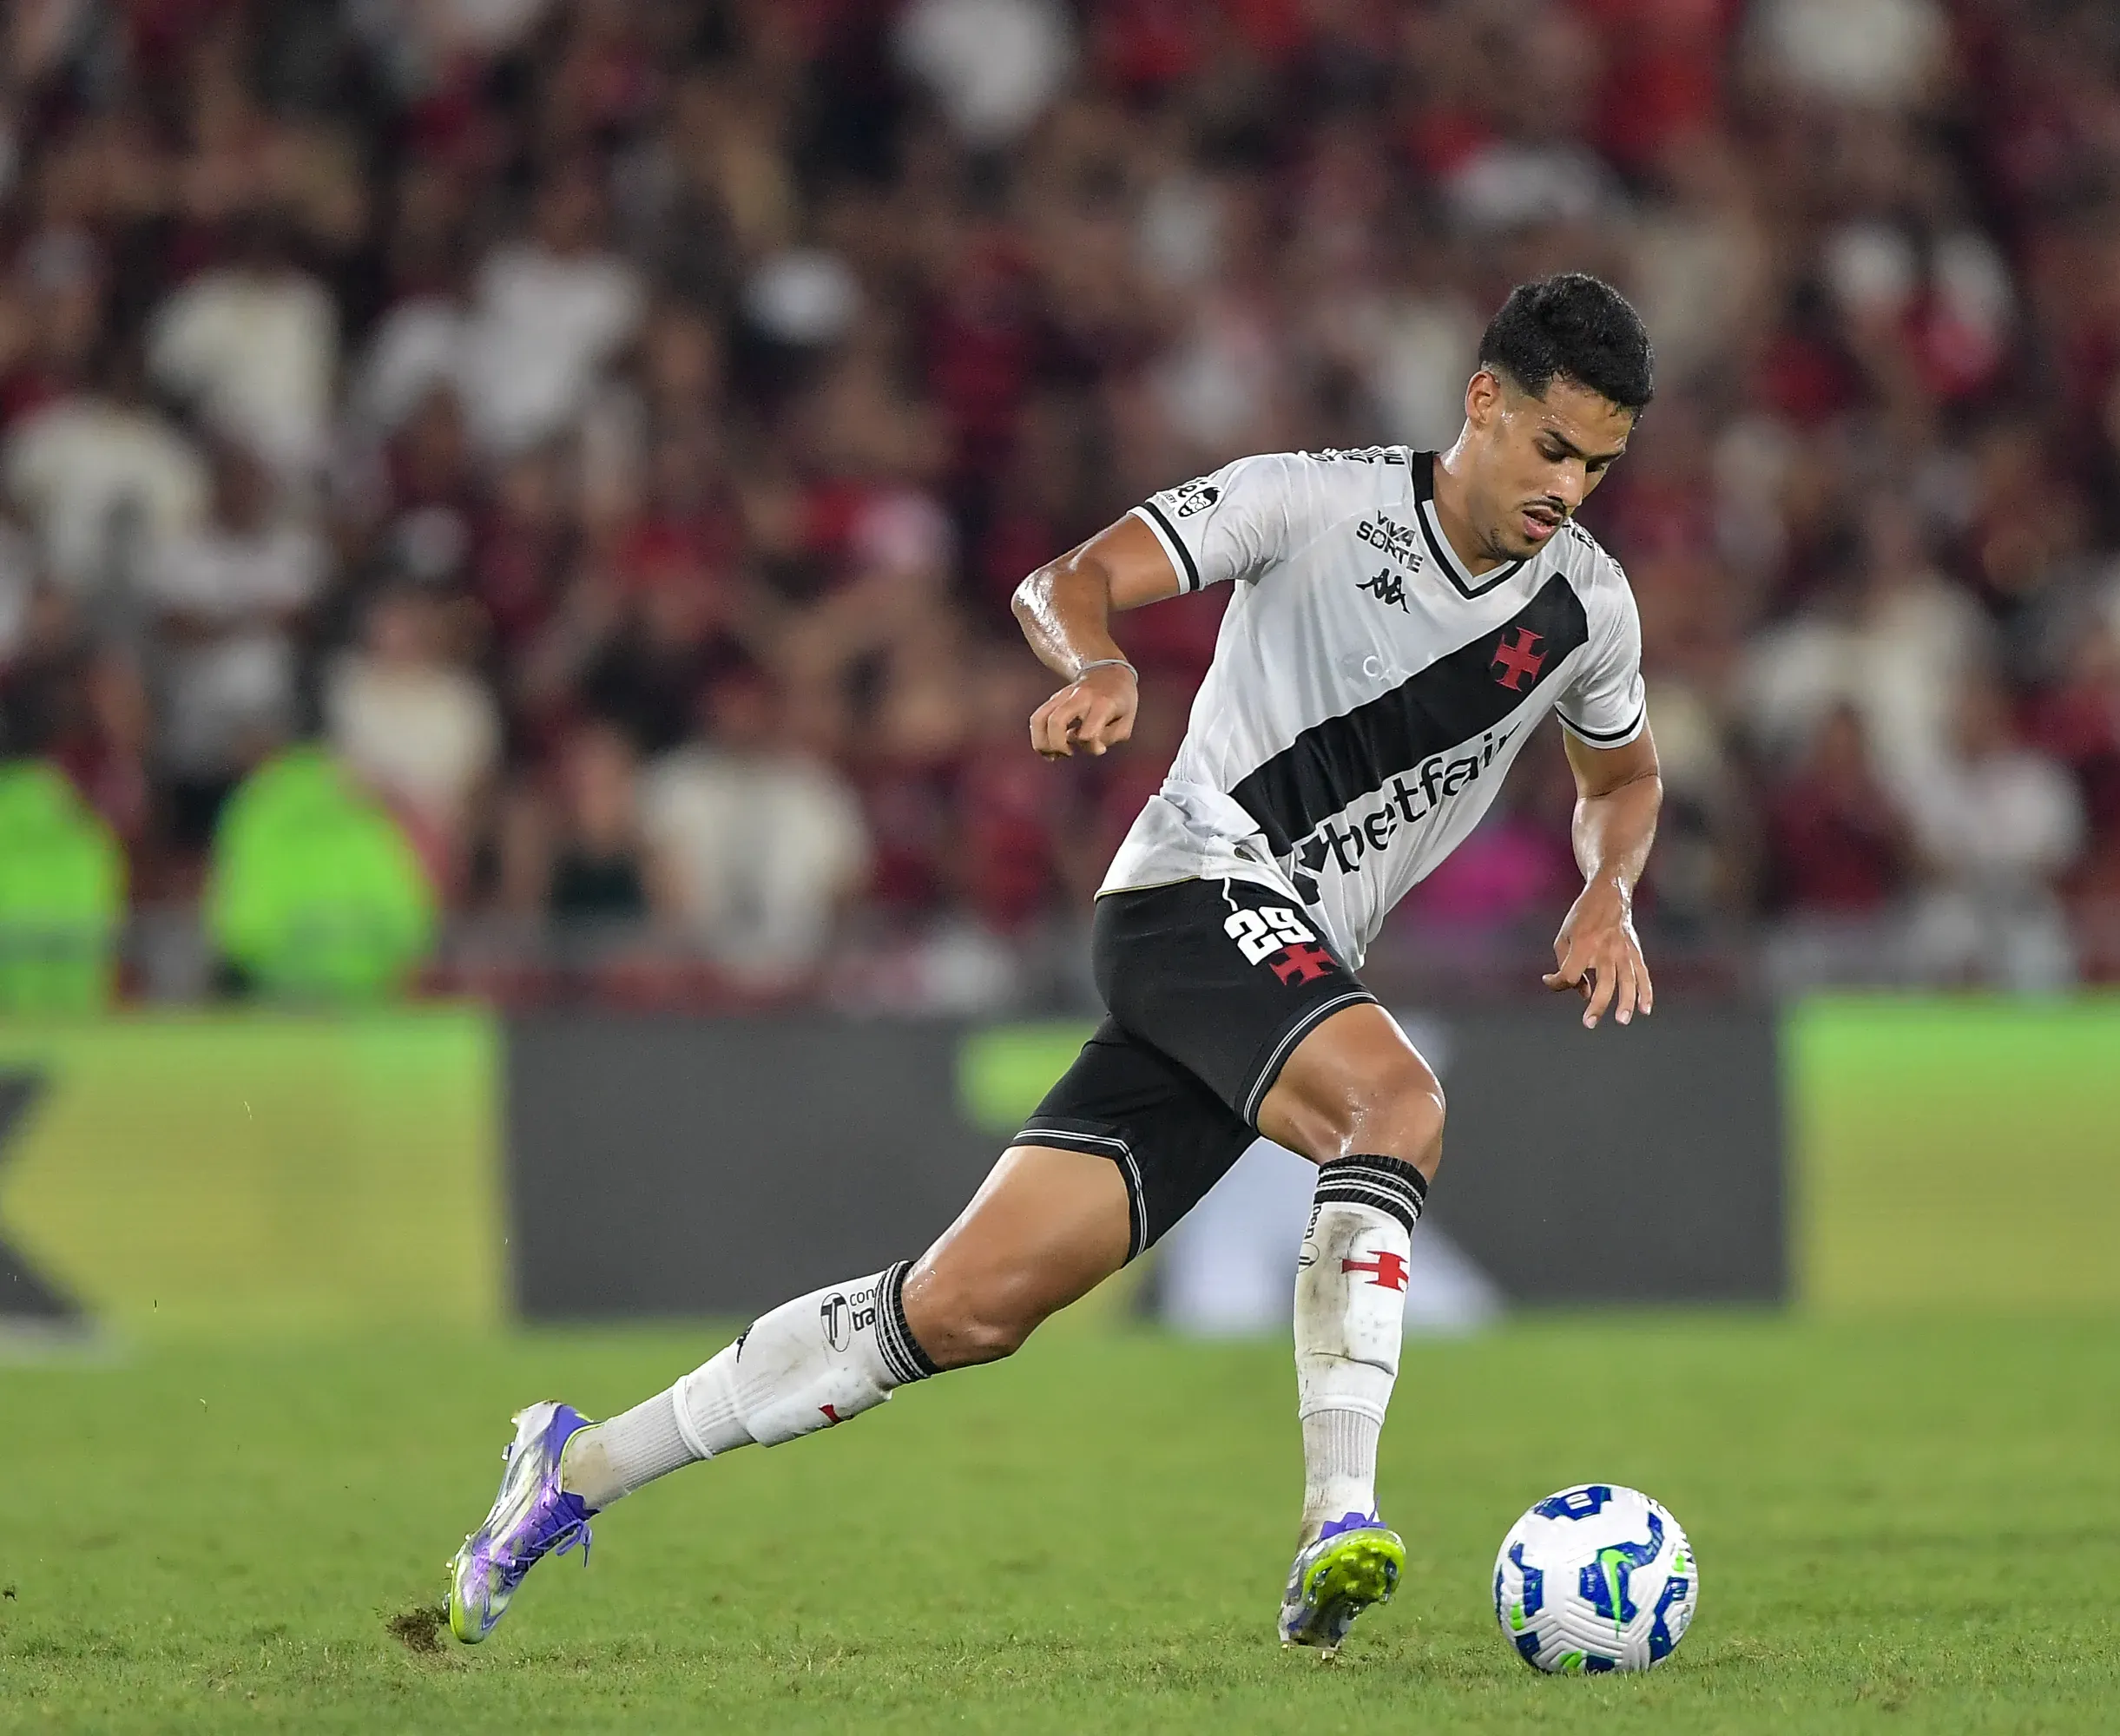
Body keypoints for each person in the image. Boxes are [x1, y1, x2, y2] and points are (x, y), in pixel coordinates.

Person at [439, 273, 1664, 1654]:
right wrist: (1098, 662)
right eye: (1556, 448)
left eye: (1602, 466)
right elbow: (1064, 578)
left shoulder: (1588, 609)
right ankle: (1337, 1521)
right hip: (1192, 888)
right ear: (1484, 401)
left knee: (962, 1309)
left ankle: (575, 1468)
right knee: (1399, 1107)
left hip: (1279, 970)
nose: (1573, 486)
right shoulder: (1311, 502)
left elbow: (1620, 777)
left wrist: (1608, 890)